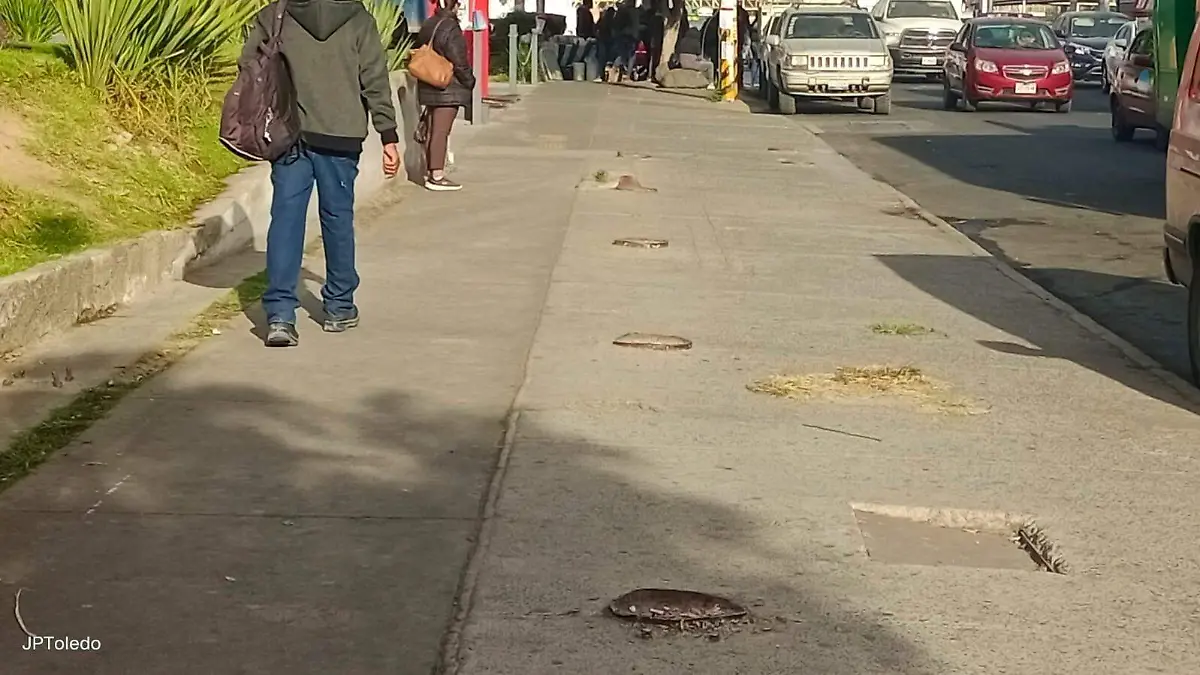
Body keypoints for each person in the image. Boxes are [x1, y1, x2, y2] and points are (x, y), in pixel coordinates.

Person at [239, 0, 400, 348]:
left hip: (288, 134)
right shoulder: (358, 19)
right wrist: (388, 135)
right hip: (340, 136)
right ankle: (339, 307)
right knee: (337, 219)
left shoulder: (276, 15)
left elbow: (249, 65)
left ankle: (281, 314)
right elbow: (374, 78)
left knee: (286, 220)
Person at [416, 0, 475, 192]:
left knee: (432, 129)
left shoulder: (429, 23)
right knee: (441, 131)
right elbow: (459, 60)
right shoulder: (451, 28)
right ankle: (437, 175)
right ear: (454, 6)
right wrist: (469, 81)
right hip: (447, 85)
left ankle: (432, 170)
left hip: (428, 80)